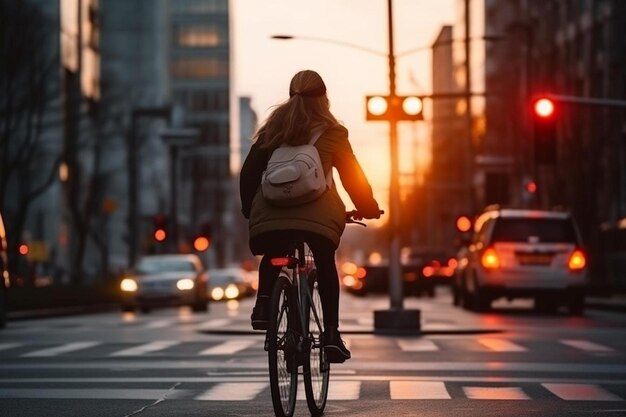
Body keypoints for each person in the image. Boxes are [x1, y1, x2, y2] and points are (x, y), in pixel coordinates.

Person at [239, 69, 380, 363]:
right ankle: (330, 335)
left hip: (272, 212)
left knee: (274, 255)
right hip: (319, 214)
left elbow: (249, 172)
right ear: (323, 97)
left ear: (292, 95)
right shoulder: (333, 133)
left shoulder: (272, 131)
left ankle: (264, 305)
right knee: (326, 262)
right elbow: (352, 177)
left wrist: (248, 209)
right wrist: (367, 206)